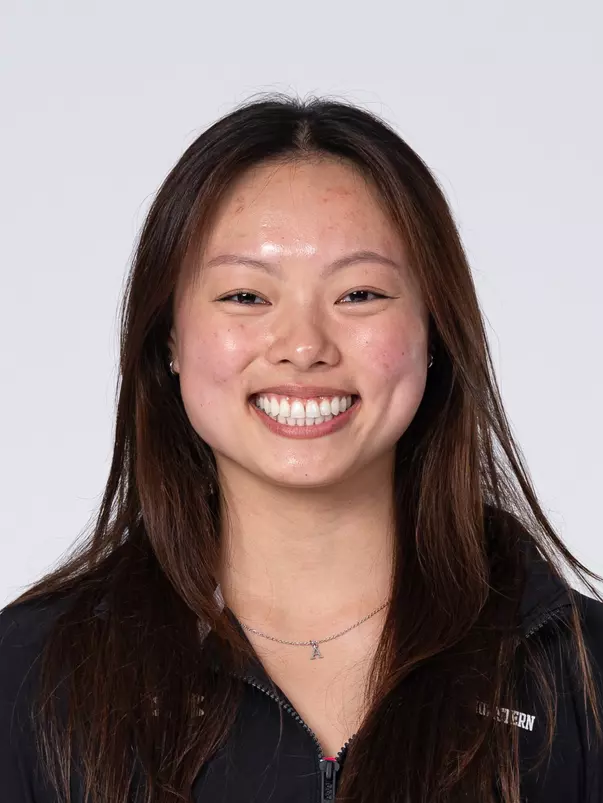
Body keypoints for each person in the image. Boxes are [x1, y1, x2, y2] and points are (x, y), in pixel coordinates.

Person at [0, 94, 602, 803]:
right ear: (168, 337)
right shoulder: (35, 673)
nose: (305, 347)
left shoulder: (576, 673)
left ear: (433, 330)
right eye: (246, 297)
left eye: (359, 293)